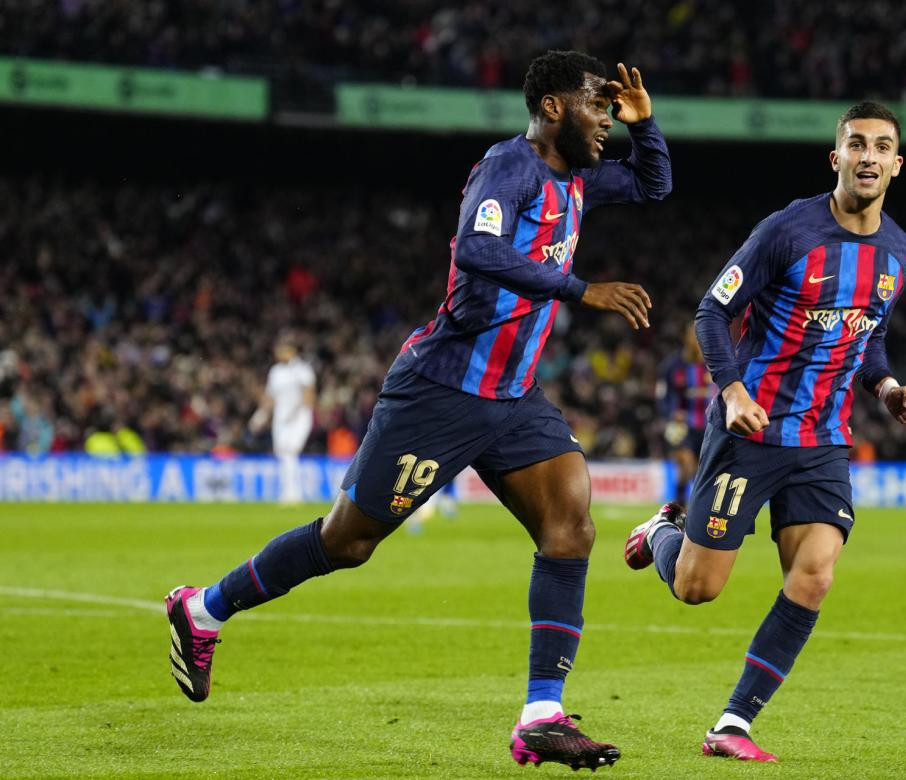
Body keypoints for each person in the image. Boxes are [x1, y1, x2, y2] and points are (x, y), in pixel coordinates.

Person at [166, 50, 671, 772]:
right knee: (347, 543)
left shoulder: (580, 179)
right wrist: (578, 288)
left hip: (513, 398)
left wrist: (646, 125)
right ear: (553, 107)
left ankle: (541, 715)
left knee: (570, 526)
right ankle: (204, 608)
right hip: (440, 392)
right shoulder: (510, 168)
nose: (607, 119)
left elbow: (655, 184)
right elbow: (476, 247)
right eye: (598, 104)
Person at [624, 101, 906, 762]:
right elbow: (712, 310)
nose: (869, 156)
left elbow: (867, 337)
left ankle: (734, 722)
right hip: (751, 432)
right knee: (698, 588)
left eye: (881, 147)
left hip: (823, 442)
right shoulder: (788, 231)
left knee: (814, 576)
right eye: (856, 144)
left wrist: (887, 388)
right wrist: (731, 391)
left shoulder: (900, 252)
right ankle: (661, 532)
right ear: (836, 157)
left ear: (897, 164)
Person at [249, 336, 317, 505]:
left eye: (282, 349)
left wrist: (296, 413)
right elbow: (270, 398)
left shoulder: (302, 370)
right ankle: (289, 492)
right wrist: (260, 416)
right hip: (281, 417)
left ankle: (293, 493)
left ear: (292, 351)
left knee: (290, 451)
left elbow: (309, 394)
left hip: (299, 416)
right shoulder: (276, 371)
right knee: (283, 453)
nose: (278, 353)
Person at [657, 323, 717, 503]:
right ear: (686, 338)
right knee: (686, 466)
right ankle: (680, 509)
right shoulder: (673, 365)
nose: (696, 340)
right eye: (693, 335)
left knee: (700, 474)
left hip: (709, 427)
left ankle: (687, 508)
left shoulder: (715, 362)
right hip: (681, 427)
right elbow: (662, 395)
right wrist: (671, 413)